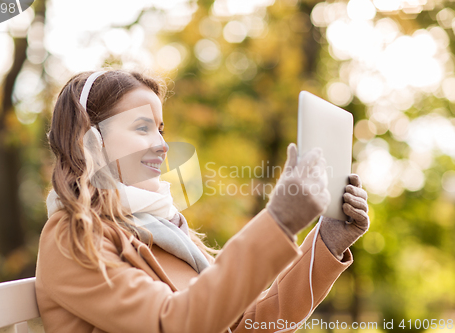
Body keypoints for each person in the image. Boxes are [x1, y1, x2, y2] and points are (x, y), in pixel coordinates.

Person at [35, 69, 370, 333]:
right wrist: (279, 221)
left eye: (161, 130)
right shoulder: (72, 235)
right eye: (142, 127)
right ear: (91, 142)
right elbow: (174, 324)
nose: (162, 145)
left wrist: (327, 242)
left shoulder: (164, 231)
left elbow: (245, 327)